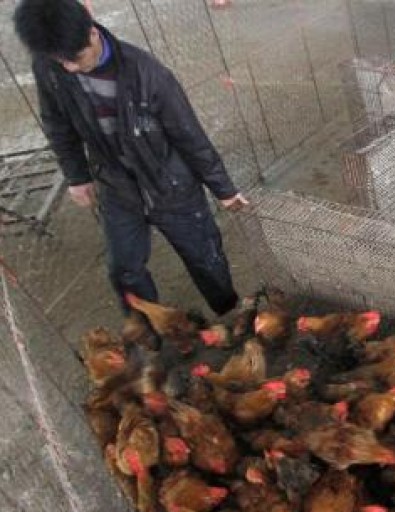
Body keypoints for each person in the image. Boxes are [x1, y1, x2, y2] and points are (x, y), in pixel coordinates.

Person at [13, 0, 248, 316]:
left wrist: (224, 189)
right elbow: (57, 123)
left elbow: (189, 135)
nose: (68, 67)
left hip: (169, 182)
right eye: (60, 59)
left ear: (92, 34)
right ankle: (149, 333)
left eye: (75, 58)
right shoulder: (49, 69)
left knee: (204, 254)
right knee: (124, 268)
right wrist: (78, 176)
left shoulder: (147, 73)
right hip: (116, 183)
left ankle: (228, 311)